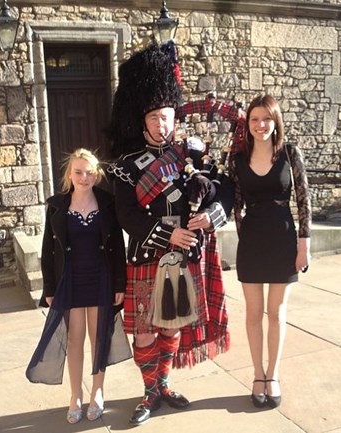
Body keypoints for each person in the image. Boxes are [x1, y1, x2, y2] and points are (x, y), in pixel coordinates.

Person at [108, 43, 230, 425]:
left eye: (168, 117)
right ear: (142, 121)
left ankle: (163, 383)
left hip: (184, 258)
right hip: (148, 256)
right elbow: (126, 215)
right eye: (156, 118)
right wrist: (168, 235)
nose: (163, 124)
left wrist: (210, 212)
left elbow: (223, 190)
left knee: (172, 323)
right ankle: (149, 394)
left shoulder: (192, 154)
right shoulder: (126, 167)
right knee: (145, 332)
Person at [26, 148, 127, 424]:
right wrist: (49, 288)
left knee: (98, 339)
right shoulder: (57, 206)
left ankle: (97, 393)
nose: (84, 177)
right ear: (70, 174)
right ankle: (75, 396)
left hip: (101, 278)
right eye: (79, 172)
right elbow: (47, 251)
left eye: (89, 172)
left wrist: (120, 281)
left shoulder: (107, 203)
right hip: (69, 280)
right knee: (74, 340)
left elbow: (118, 247)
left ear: (97, 175)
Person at [229, 94, 311, 409]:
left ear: (275, 121)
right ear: (247, 124)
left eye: (266, 119)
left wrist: (305, 244)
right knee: (252, 313)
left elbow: (304, 199)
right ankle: (257, 374)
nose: (260, 125)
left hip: (282, 239)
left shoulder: (290, 154)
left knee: (276, 314)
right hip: (252, 240)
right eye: (254, 119)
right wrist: (241, 238)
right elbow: (236, 205)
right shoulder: (237, 159)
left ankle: (273, 374)